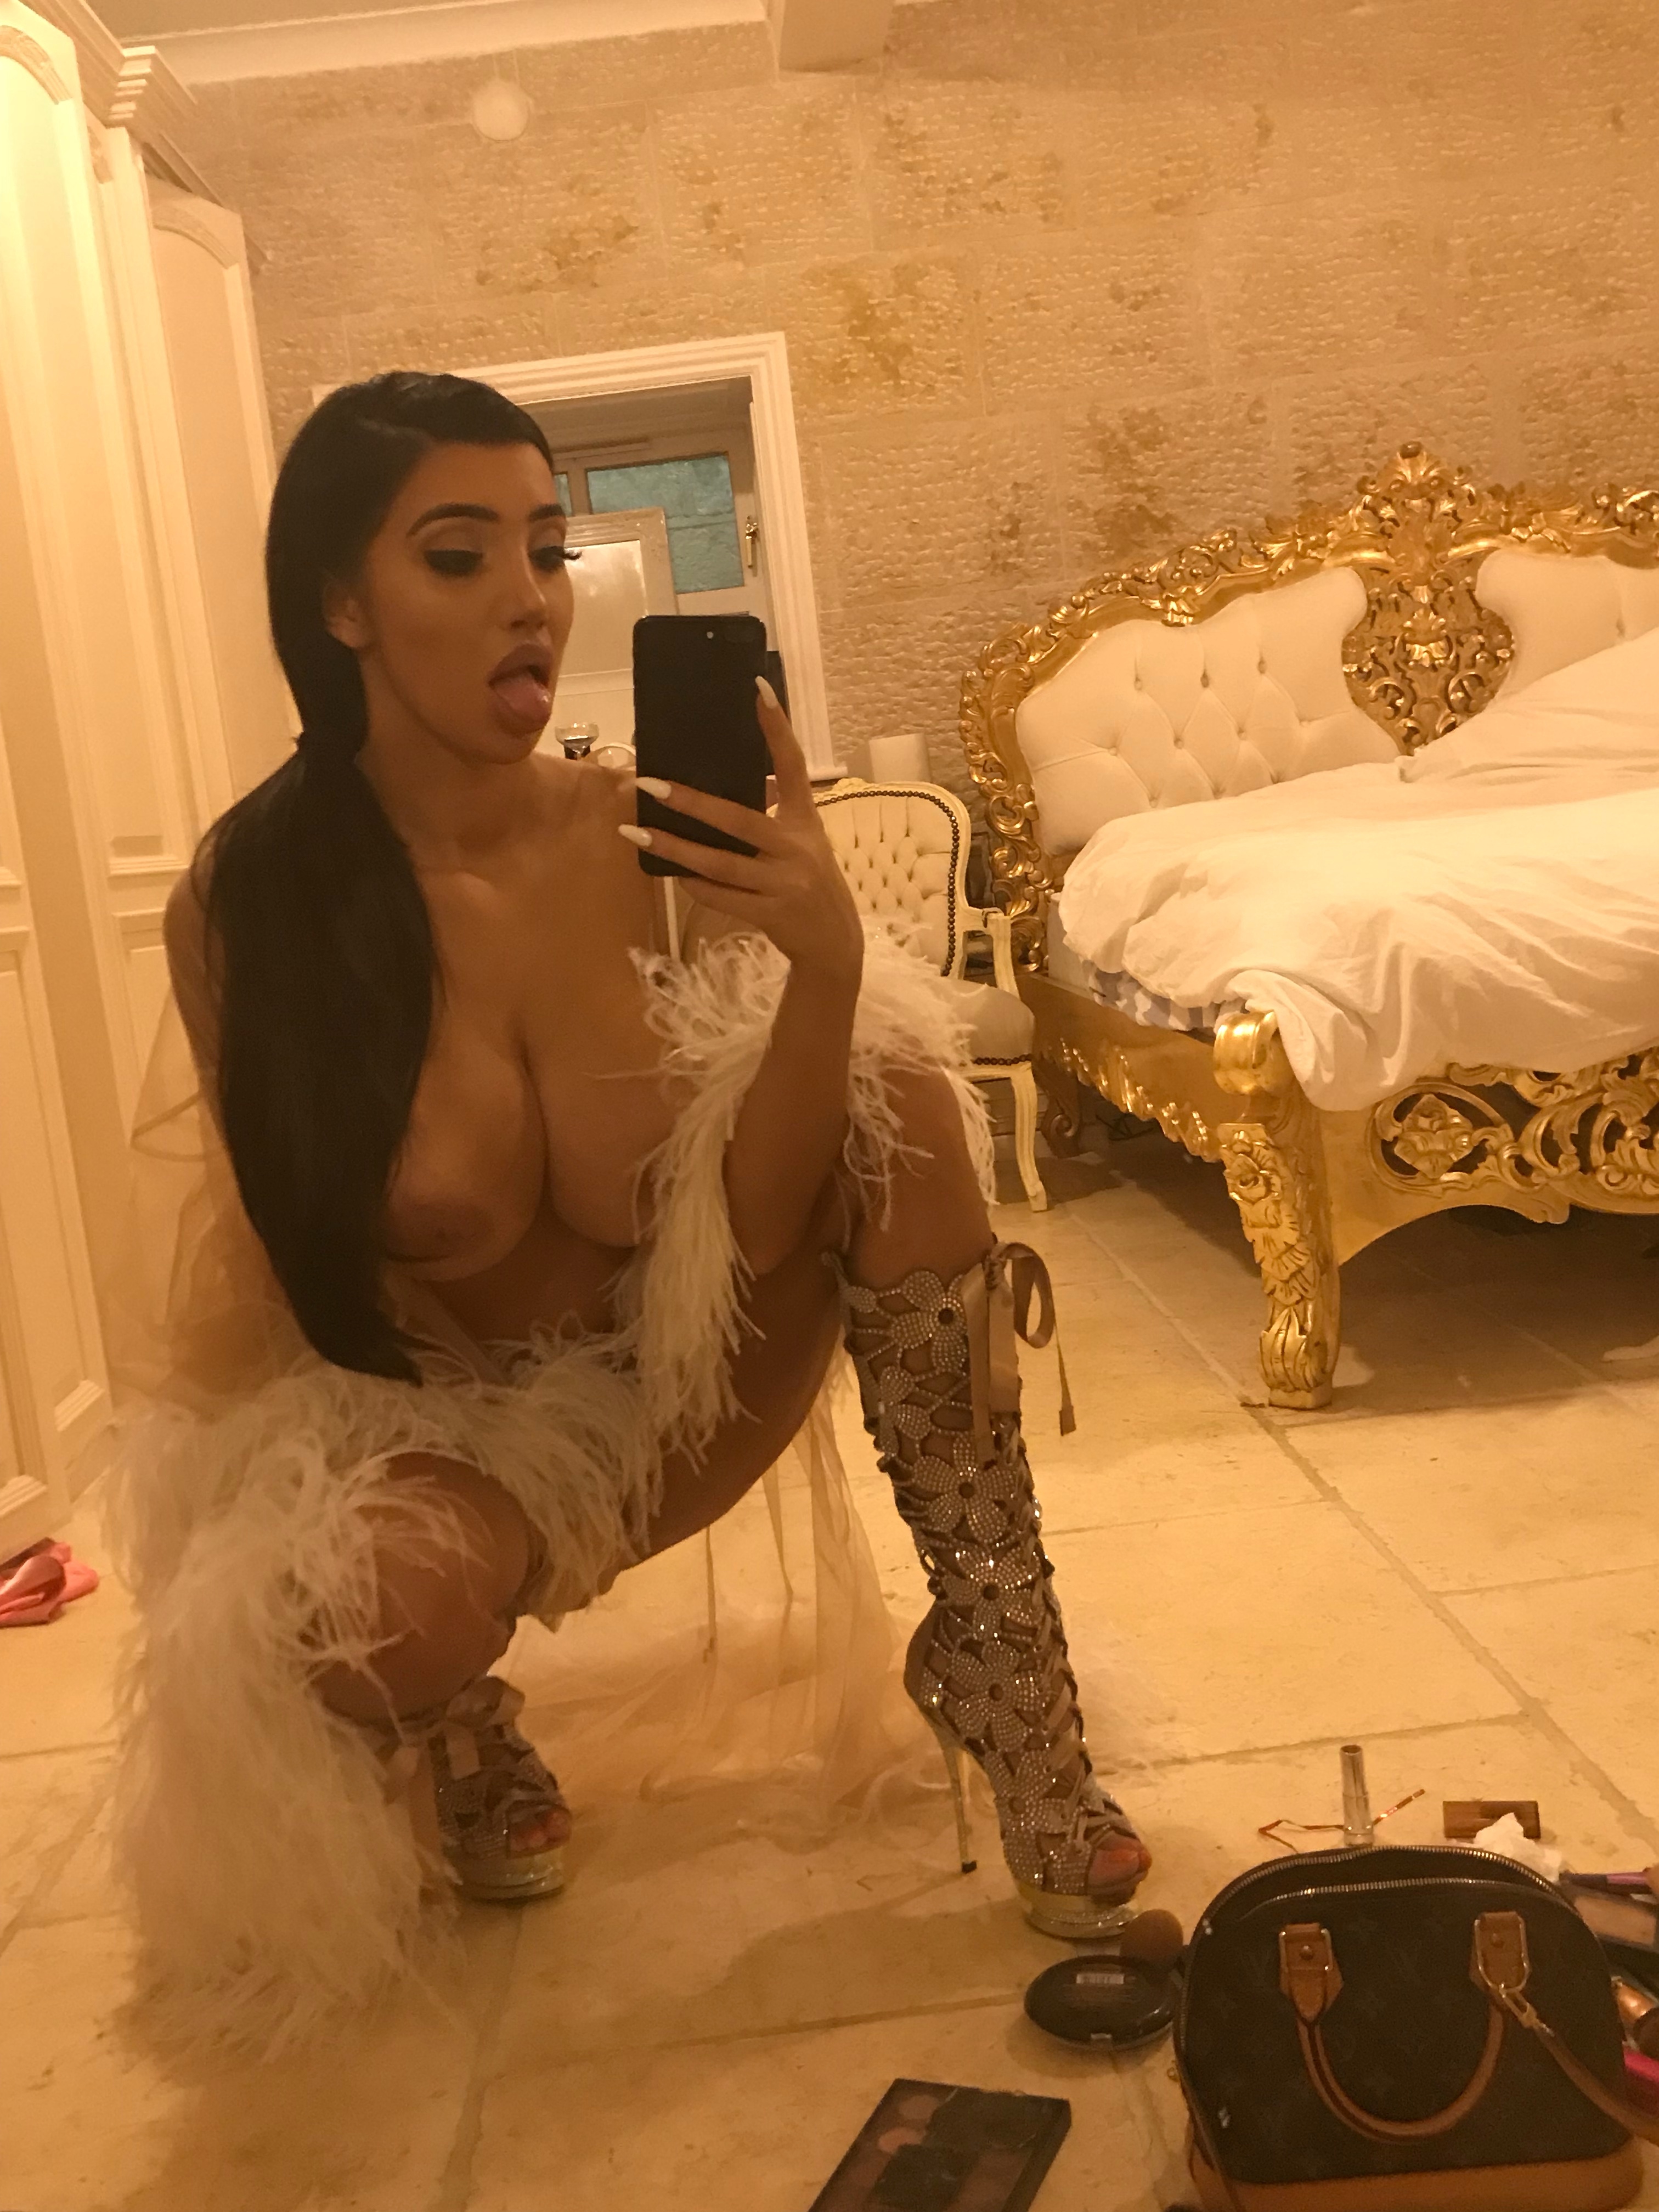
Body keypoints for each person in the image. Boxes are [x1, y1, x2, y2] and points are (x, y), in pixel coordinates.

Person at [105, 371, 1148, 2055]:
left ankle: (1006, 1669)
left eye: (547, 548)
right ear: (342, 602)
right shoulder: (256, 902)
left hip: (692, 1379)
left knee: (893, 1082)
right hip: (447, 1422)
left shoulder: (653, 839)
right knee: (358, 1610)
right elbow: (296, 1268)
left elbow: (754, 1231)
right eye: (459, 556)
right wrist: (444, 1523)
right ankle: (459, 1714)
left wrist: (824, 962)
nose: (528, 597)